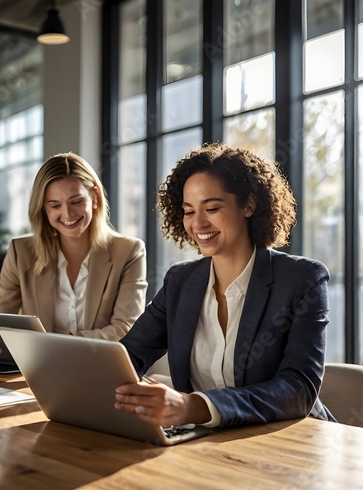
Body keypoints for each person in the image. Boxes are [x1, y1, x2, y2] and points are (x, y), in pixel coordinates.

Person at [115, 143, 334, 429]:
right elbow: (130, 354)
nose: (198, 223)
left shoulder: (303, 279)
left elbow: (298, 390)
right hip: (207, 443)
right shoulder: (180, 281)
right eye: (188, 211)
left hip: (292, 441)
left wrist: (194, 406)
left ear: (249, 205)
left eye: (212, 208)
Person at [0, 152, 148, 364]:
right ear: (43, 209)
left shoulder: (128, 251)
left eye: (76, 201)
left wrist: (57, 347)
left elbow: (126, 330)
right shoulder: (21, 252)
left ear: (95, 197)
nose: (68, 214)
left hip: (100, 368)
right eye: (55, 205)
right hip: (38, 373)